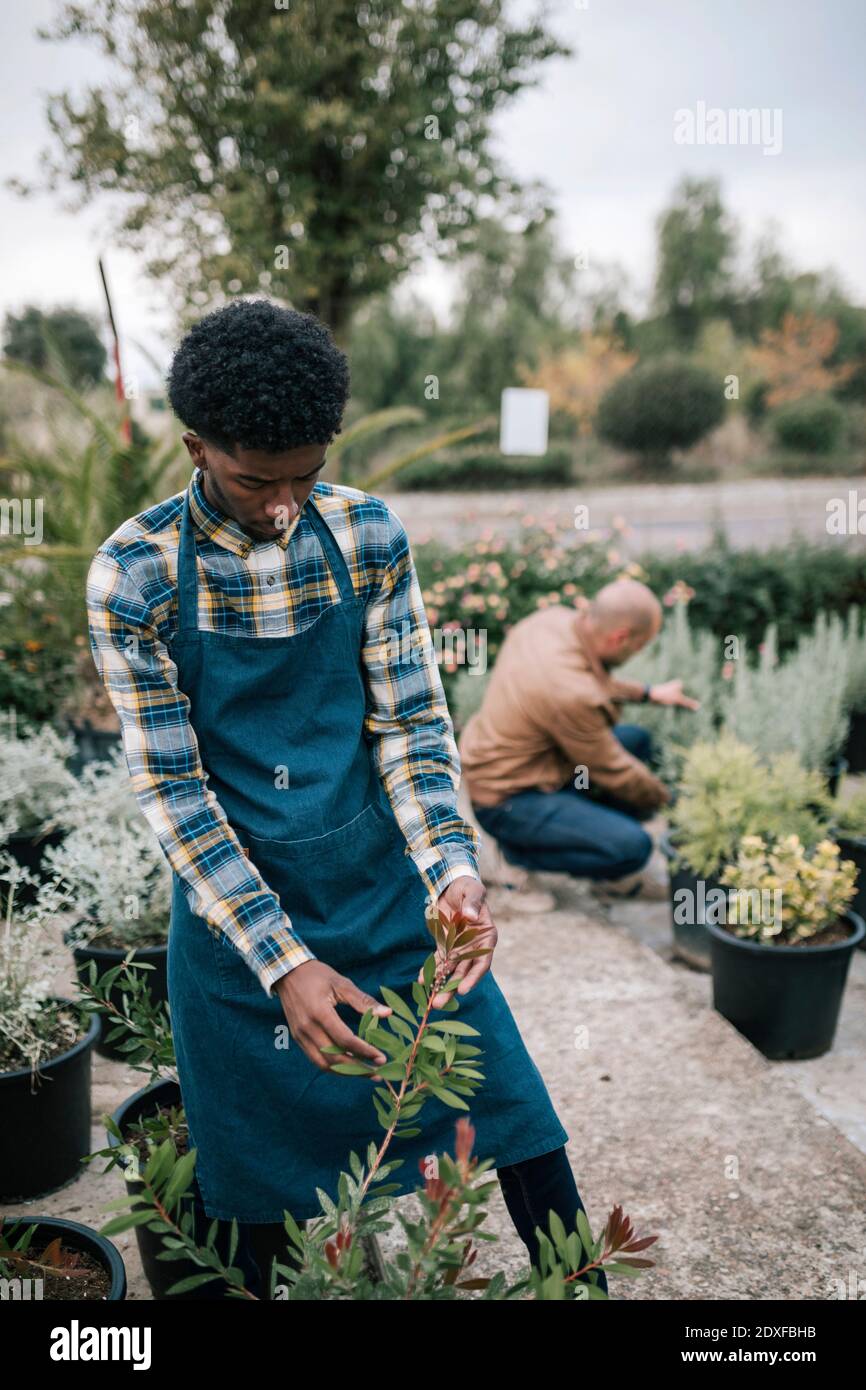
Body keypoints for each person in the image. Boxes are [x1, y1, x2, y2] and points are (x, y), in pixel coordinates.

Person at [85, 298, 607, 1296]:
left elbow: (411, 726)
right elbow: (177, 796)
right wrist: (283, 963)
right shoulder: (134, 576)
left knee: (515, 1122)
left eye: (305, 475)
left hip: (382, 896)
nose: (284, 505)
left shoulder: (366, 533)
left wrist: (451, 867)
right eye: (253, 478)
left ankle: (584, 1288)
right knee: (251, 1188)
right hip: (241, 928)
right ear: (196, 447)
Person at [459, 579, 699, 901]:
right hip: (508, 799)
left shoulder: (552, 621)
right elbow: (613, 769)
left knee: (636, 741)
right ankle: (514, 856)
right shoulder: (571, 694)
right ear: (620, 638)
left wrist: (648, 693)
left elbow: (587, 680)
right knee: (633, 848)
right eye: (639, 647)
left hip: (537, 762)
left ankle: (588, 834)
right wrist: (675, 804)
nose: (637, 653)